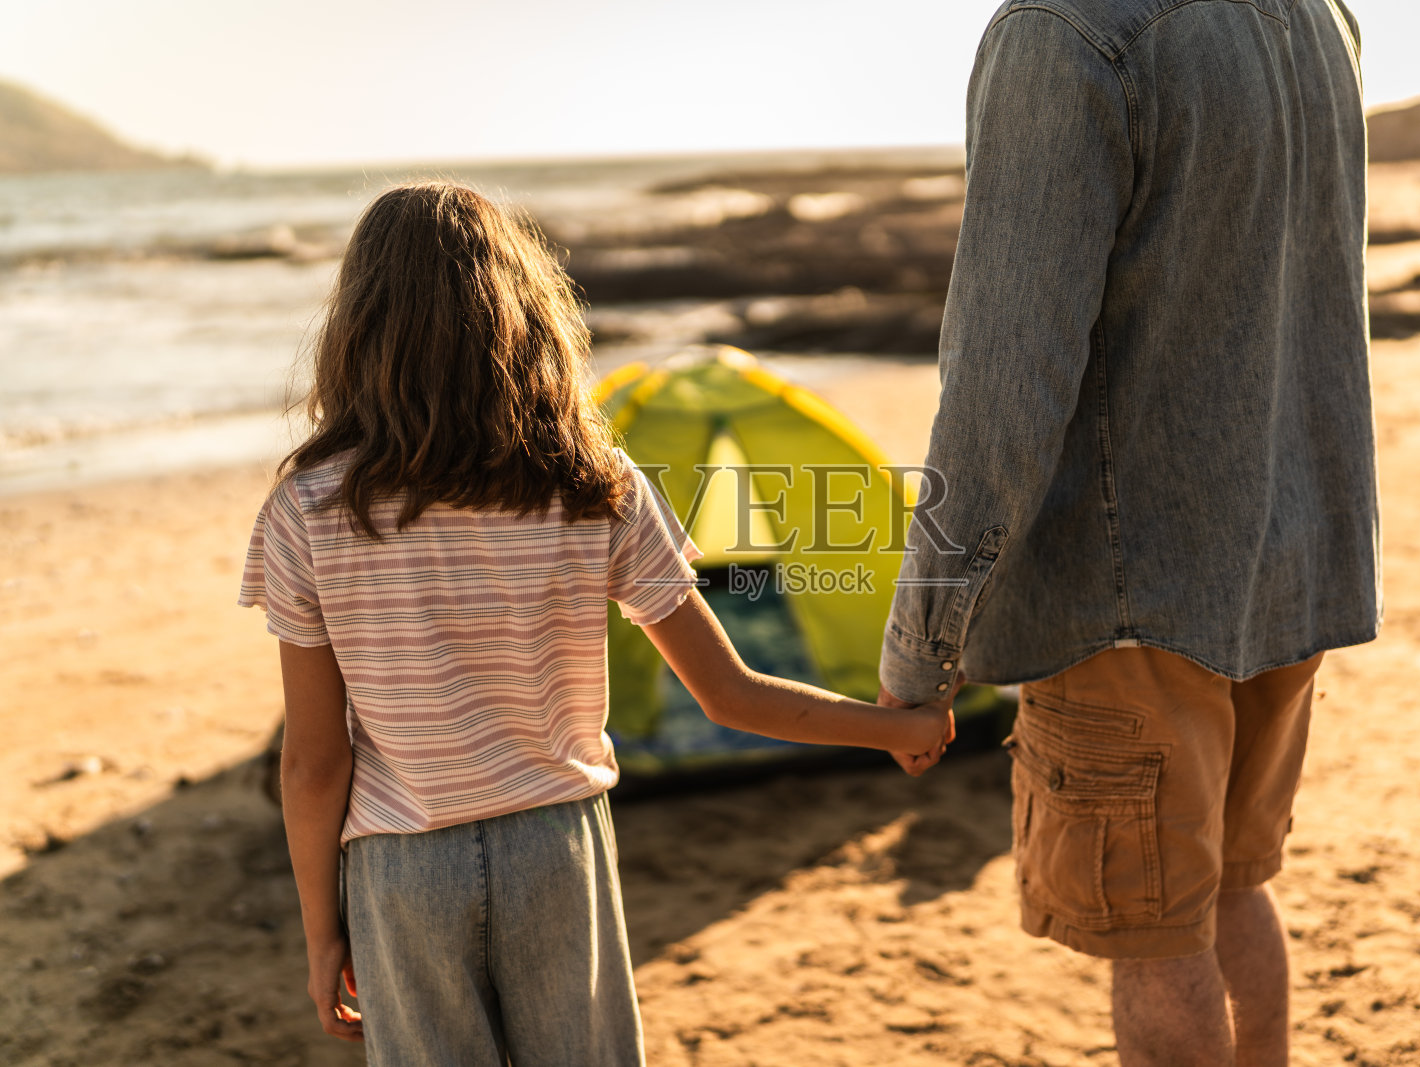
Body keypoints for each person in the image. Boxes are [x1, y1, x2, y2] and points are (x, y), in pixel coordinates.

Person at [239, 182, 954, 1065]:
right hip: (556, 846)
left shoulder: (309, 508)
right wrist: (895, 726)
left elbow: (314, 764)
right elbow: (730, 694)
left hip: (401, 865)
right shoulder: (592, 485)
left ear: (361, 325)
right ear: (520, 314)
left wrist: (322, 933)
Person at [878, 2, 1377, 1065]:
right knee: (1229, 885)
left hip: (1126, 584)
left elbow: (1003, 384)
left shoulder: (1065, 29)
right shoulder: (1312, 15)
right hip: (1291, 552)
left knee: (1155, 932)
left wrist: (921, 645)